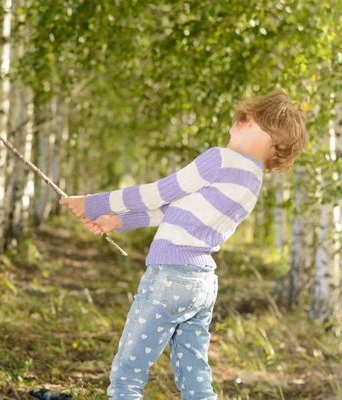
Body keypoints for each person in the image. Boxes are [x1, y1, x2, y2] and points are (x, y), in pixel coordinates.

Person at [59, 88, 308, 399]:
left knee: (127, 376)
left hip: (170, 277)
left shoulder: (219, 158)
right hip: (202, 285)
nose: (231, 128)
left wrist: (93, 203)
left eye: (235, 121)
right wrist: (118, 221)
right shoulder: (252, 179)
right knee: (195, 378)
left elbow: (160, 192)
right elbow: (179, 209)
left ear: (251, 120)